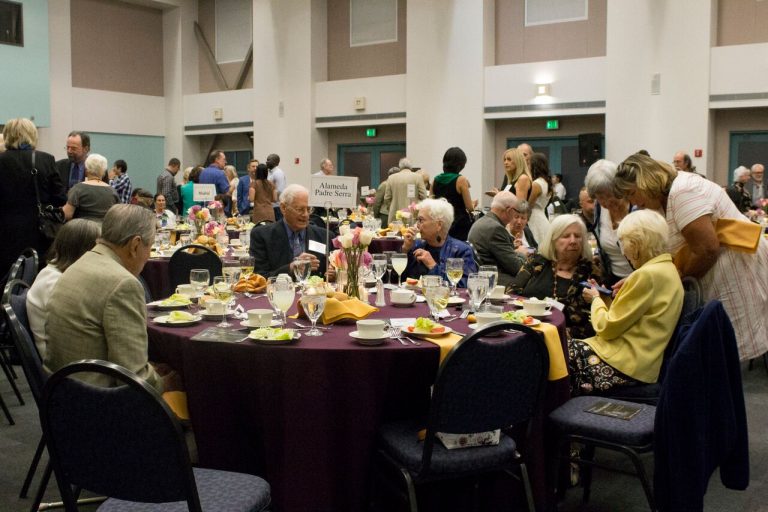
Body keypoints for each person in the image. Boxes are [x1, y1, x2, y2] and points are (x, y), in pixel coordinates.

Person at [614, 153, 768, 362]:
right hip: (715, 266)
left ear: (646, 182)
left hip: (731, 264)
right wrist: (639, 280)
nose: (633, 202)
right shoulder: (663, 197)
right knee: (721, 346)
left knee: (727, 347)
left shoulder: (682, 192)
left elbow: (707, 249)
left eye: (632, 193)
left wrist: (674, 279)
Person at [45, 204, 169, 391]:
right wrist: (167, 383)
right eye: (149, 247)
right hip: (101, 403)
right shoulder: (122, 283)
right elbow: (135, 378)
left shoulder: (79, 264)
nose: (149, 255)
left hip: (62, 392)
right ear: (135, 245)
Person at [573, 209, 684, 395]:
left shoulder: (646, 275)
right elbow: (628, 318)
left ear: (637, 244)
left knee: (555, 355)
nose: (623, 251)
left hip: (625, 364)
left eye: (623, 243)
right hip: (643, 362)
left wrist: (596, 300)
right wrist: (609, 298)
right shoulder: (667, 269)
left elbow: (607, 328)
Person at [510, 214, 601, 339]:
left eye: (578, 236)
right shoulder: (537, 262)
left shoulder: (591, 272)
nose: (573, 241)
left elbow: (596, 321)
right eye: (566, 236)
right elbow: (511, 294)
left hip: (563, 339)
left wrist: (554, 335)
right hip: (524, 329)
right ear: (553, 239)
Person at [0, 118, 67, 277]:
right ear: (32, 135)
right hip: (38, 231)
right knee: (34, 276)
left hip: (4, 232)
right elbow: (60, 198)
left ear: (7, 135)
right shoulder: (46, 160)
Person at [26, 219, 100, 359]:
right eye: (97, 250)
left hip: (67, 353)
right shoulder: (56, 283)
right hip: (65, 366)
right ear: (83, 251)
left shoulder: (55, 270)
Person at [250, 184, 328, 278]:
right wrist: (291, 268)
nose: (306, 215)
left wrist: (332, 274)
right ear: (283, 208)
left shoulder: (324, 236)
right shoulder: (262, 236)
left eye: (308, 209)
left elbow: (326, 273)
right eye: (300, 209)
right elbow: (259, 277)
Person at [401, 198, 477, 287]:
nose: (417, 225)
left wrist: (432, 265)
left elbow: (467, 285)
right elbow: (397, 280)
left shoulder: (461, 250)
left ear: (439, 225)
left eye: (421, 220)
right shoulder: (416, 245)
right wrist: (405, 251)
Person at [584, 160, 635, 286]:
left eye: (609, 194)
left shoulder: (636, 208)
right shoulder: (599, 209)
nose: (606, 202)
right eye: (600, 197)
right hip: (613, 280)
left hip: (639, 279)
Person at [467, 191, 526, 286]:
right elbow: (517, 268)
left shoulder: (482, 221)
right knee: (533, 283)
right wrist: (522, 254)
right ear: (509, 210)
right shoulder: (496, 229)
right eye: (516, 211)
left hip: (482, 276)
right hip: (493, 280)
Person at [431, 147, 475, 241]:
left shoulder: (435, 179)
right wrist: (474, 204)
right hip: (458, 224)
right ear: (461, 164)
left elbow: (431, 204)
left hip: (441, 223)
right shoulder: (461, 180)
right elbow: (470, 208)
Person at [62, 153, 119, 223]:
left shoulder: (77, 189)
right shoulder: (112, 192)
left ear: (86, 170)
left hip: (81, 230)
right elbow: (117, 216)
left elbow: (68, 214)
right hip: (103, 231)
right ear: (104, 172)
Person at [384, 158, 428, 224]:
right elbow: (424, 196)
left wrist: (392, 207)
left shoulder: (391, 178)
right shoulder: (418, 177)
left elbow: (387, 198)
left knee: (395, 232)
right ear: (411, 167)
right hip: (412, 215)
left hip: (395, 215)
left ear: (400, 166)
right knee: (412, 233)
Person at [526, 152, 553, 244]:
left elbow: (529, 206)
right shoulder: (546, 182)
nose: (528, 166)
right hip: (542, 217)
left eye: (529, 163)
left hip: (534, 219)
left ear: (535, 165)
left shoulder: (536, 184)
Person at [266, 153, 286, 220]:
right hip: (270, 205)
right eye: (266, 160)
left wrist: (268, 196)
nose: (266, 162)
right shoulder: (269, 172)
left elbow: (280, 190)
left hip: (276, 206)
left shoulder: (278, 173)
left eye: (269, 160)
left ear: (275, 162)